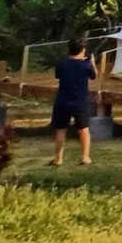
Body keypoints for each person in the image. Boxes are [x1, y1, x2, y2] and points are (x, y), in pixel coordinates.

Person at [49, 37, 98, 167]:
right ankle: (85, 157)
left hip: (62, 100)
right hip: (80, 101)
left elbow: (58, 75)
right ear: (83, 50)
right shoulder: (86, 65)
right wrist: (92, 62)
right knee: (84, 129)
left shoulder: (62, 63)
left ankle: (58, 159)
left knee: (61, 130)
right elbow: (94, 76)